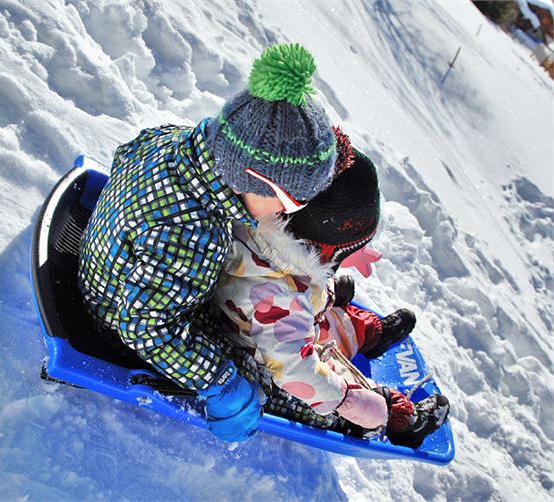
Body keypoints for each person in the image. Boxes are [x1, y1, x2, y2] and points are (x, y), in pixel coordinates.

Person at [77, 43, 338, 442]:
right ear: (253, 178)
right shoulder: (192, 234)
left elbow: (123, 156)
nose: (287, 214)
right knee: (262, 370)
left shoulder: (174, 140)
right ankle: (336, 414)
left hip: (118, 269)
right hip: (119, 318)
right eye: (290, 201)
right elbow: (144, 327)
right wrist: (221, 384)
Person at [214, 126, 450, 447]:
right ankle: (398, 418)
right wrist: (351, 402)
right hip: (274, 361)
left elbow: (296, 273)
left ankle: (368, 332)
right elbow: (296, 369)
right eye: (346, 250)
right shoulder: (279, 298)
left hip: (272, 323)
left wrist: (329, 275)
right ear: (330, 246)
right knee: (341, 379)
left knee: (333, 319)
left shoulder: (264, 224)